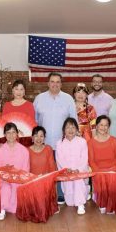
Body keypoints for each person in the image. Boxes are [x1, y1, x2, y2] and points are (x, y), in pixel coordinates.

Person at [34, 72, 77, 204]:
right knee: (45, 168)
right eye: (52, 81)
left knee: (60, 167)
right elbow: (35, 121)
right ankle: (44, 192)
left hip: (62, 142)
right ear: (48, 83)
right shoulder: (39, 99)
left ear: (61, 84)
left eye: (58, 82)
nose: (55, 84)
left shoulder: (68, 99)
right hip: (43, 143)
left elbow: (73, 121)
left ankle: (59, 193)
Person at [0, 122, 30, 220]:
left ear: (17, 134)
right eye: (8, 133)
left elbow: (26, 169)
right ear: (4, 135)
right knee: (5, 187)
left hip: (19, 179)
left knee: (18, 188)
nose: (11, 135)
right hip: (3, 179)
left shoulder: (24, 150)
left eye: (13, 132)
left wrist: (17, 176)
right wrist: (5, 172)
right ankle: (2, 209)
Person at [56, 118, 89, 215]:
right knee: (70, 203)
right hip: (67, 173)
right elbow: (59, 159)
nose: (70, 130)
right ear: (63, 130)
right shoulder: (59, 143)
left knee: (78, 181)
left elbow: (84, 158)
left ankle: (80, 204)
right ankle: (85, 191)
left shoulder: (82, 141)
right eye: (68, 128)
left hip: (80, 173)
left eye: (73, 127)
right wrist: (67, 169)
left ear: (77, 129)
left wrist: (78, 170)